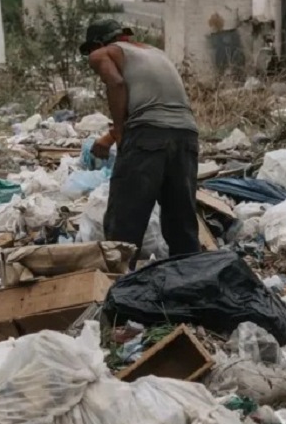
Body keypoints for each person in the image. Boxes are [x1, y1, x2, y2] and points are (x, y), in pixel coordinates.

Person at [81, 19, 201, 258]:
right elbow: (156, 104)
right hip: (187, 136)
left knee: (125, 221)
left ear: (98, 43)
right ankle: (191, 273)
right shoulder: (157, 53)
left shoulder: (101, 54)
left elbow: (116, 83)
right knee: (181, 222)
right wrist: (111, 136)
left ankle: (121, 277)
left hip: (147, 137)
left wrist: (119, 132)